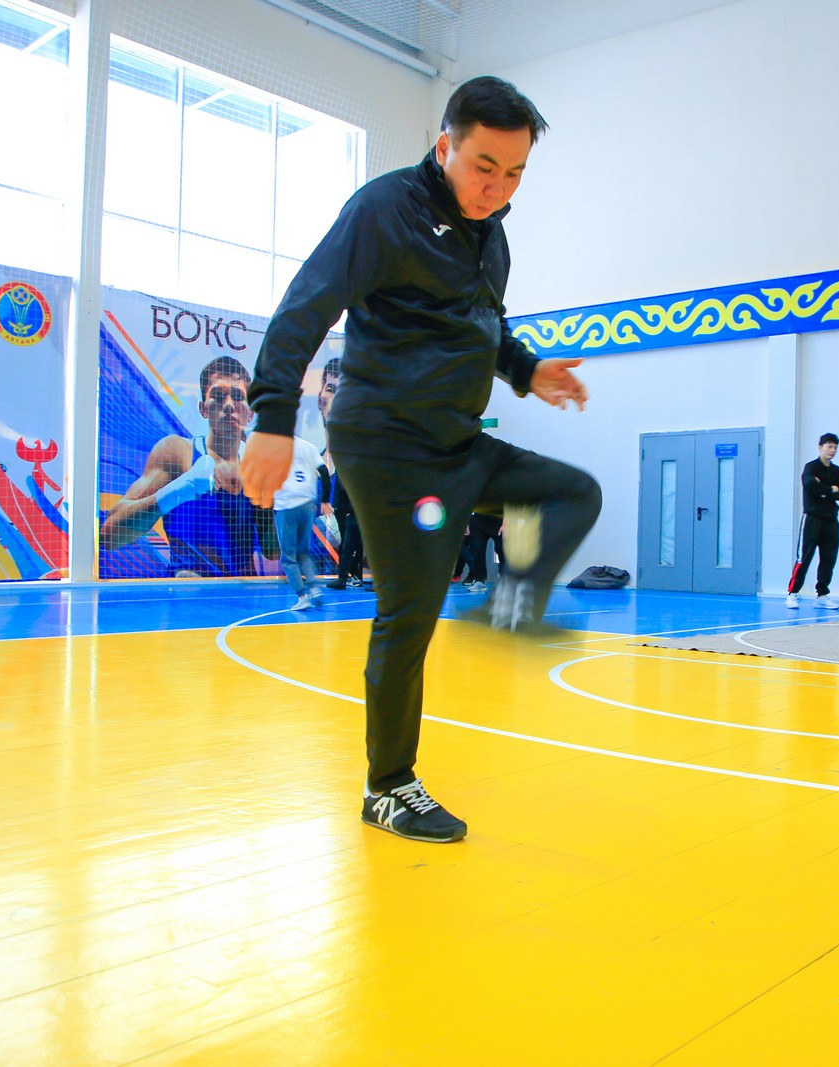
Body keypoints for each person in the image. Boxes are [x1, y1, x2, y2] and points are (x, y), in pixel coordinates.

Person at [242, 76, 601, 844]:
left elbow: (486, 328)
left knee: (573, 492)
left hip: (457, 442)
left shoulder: (491, 234)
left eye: (514, 174)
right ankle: (388, 786)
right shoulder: (385, 210)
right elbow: (306, 306)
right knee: (409, 615)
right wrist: (272, 417)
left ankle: (511, 606)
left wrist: (527, 369)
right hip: (385, 444)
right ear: (444, 146)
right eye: (483, 167)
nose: (497, 188)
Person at [101, 354, 278, 576]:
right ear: (203, 408)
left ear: (250, 412)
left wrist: (269, 505)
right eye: (218, 396)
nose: (228, 405)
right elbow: (110, 535)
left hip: (244, 591)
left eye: (237, 397)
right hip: (188, 590)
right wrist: (180, 489)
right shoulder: (178, 453)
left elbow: (272, 552)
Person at [786, 433, 839, 610]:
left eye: (835, 447)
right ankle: (792, 593)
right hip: (812, 519)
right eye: (829, 446)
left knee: (828, 558)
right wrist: (831, 489)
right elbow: (811, 487)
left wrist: (824, 489)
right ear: (820, 447)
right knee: (804, 557)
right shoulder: (811, 468)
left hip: (831, 520)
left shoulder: (838, 471)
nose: (832, 450)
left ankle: (822, 595)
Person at [273, 436, 332, 610]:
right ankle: (314, 588)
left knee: (288, 557)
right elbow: (324, 472)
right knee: (303, 553)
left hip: (286, 504)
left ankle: (302, 596)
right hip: (307, 504)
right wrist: (325, 500)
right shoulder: (308, 446)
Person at [462, 511, 505, 592]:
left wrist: (507, 522)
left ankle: (504, 577)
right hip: (478, 519)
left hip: (499, 519)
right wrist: (466, 522)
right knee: (477, 548)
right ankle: (479, 580)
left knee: (501, 549)